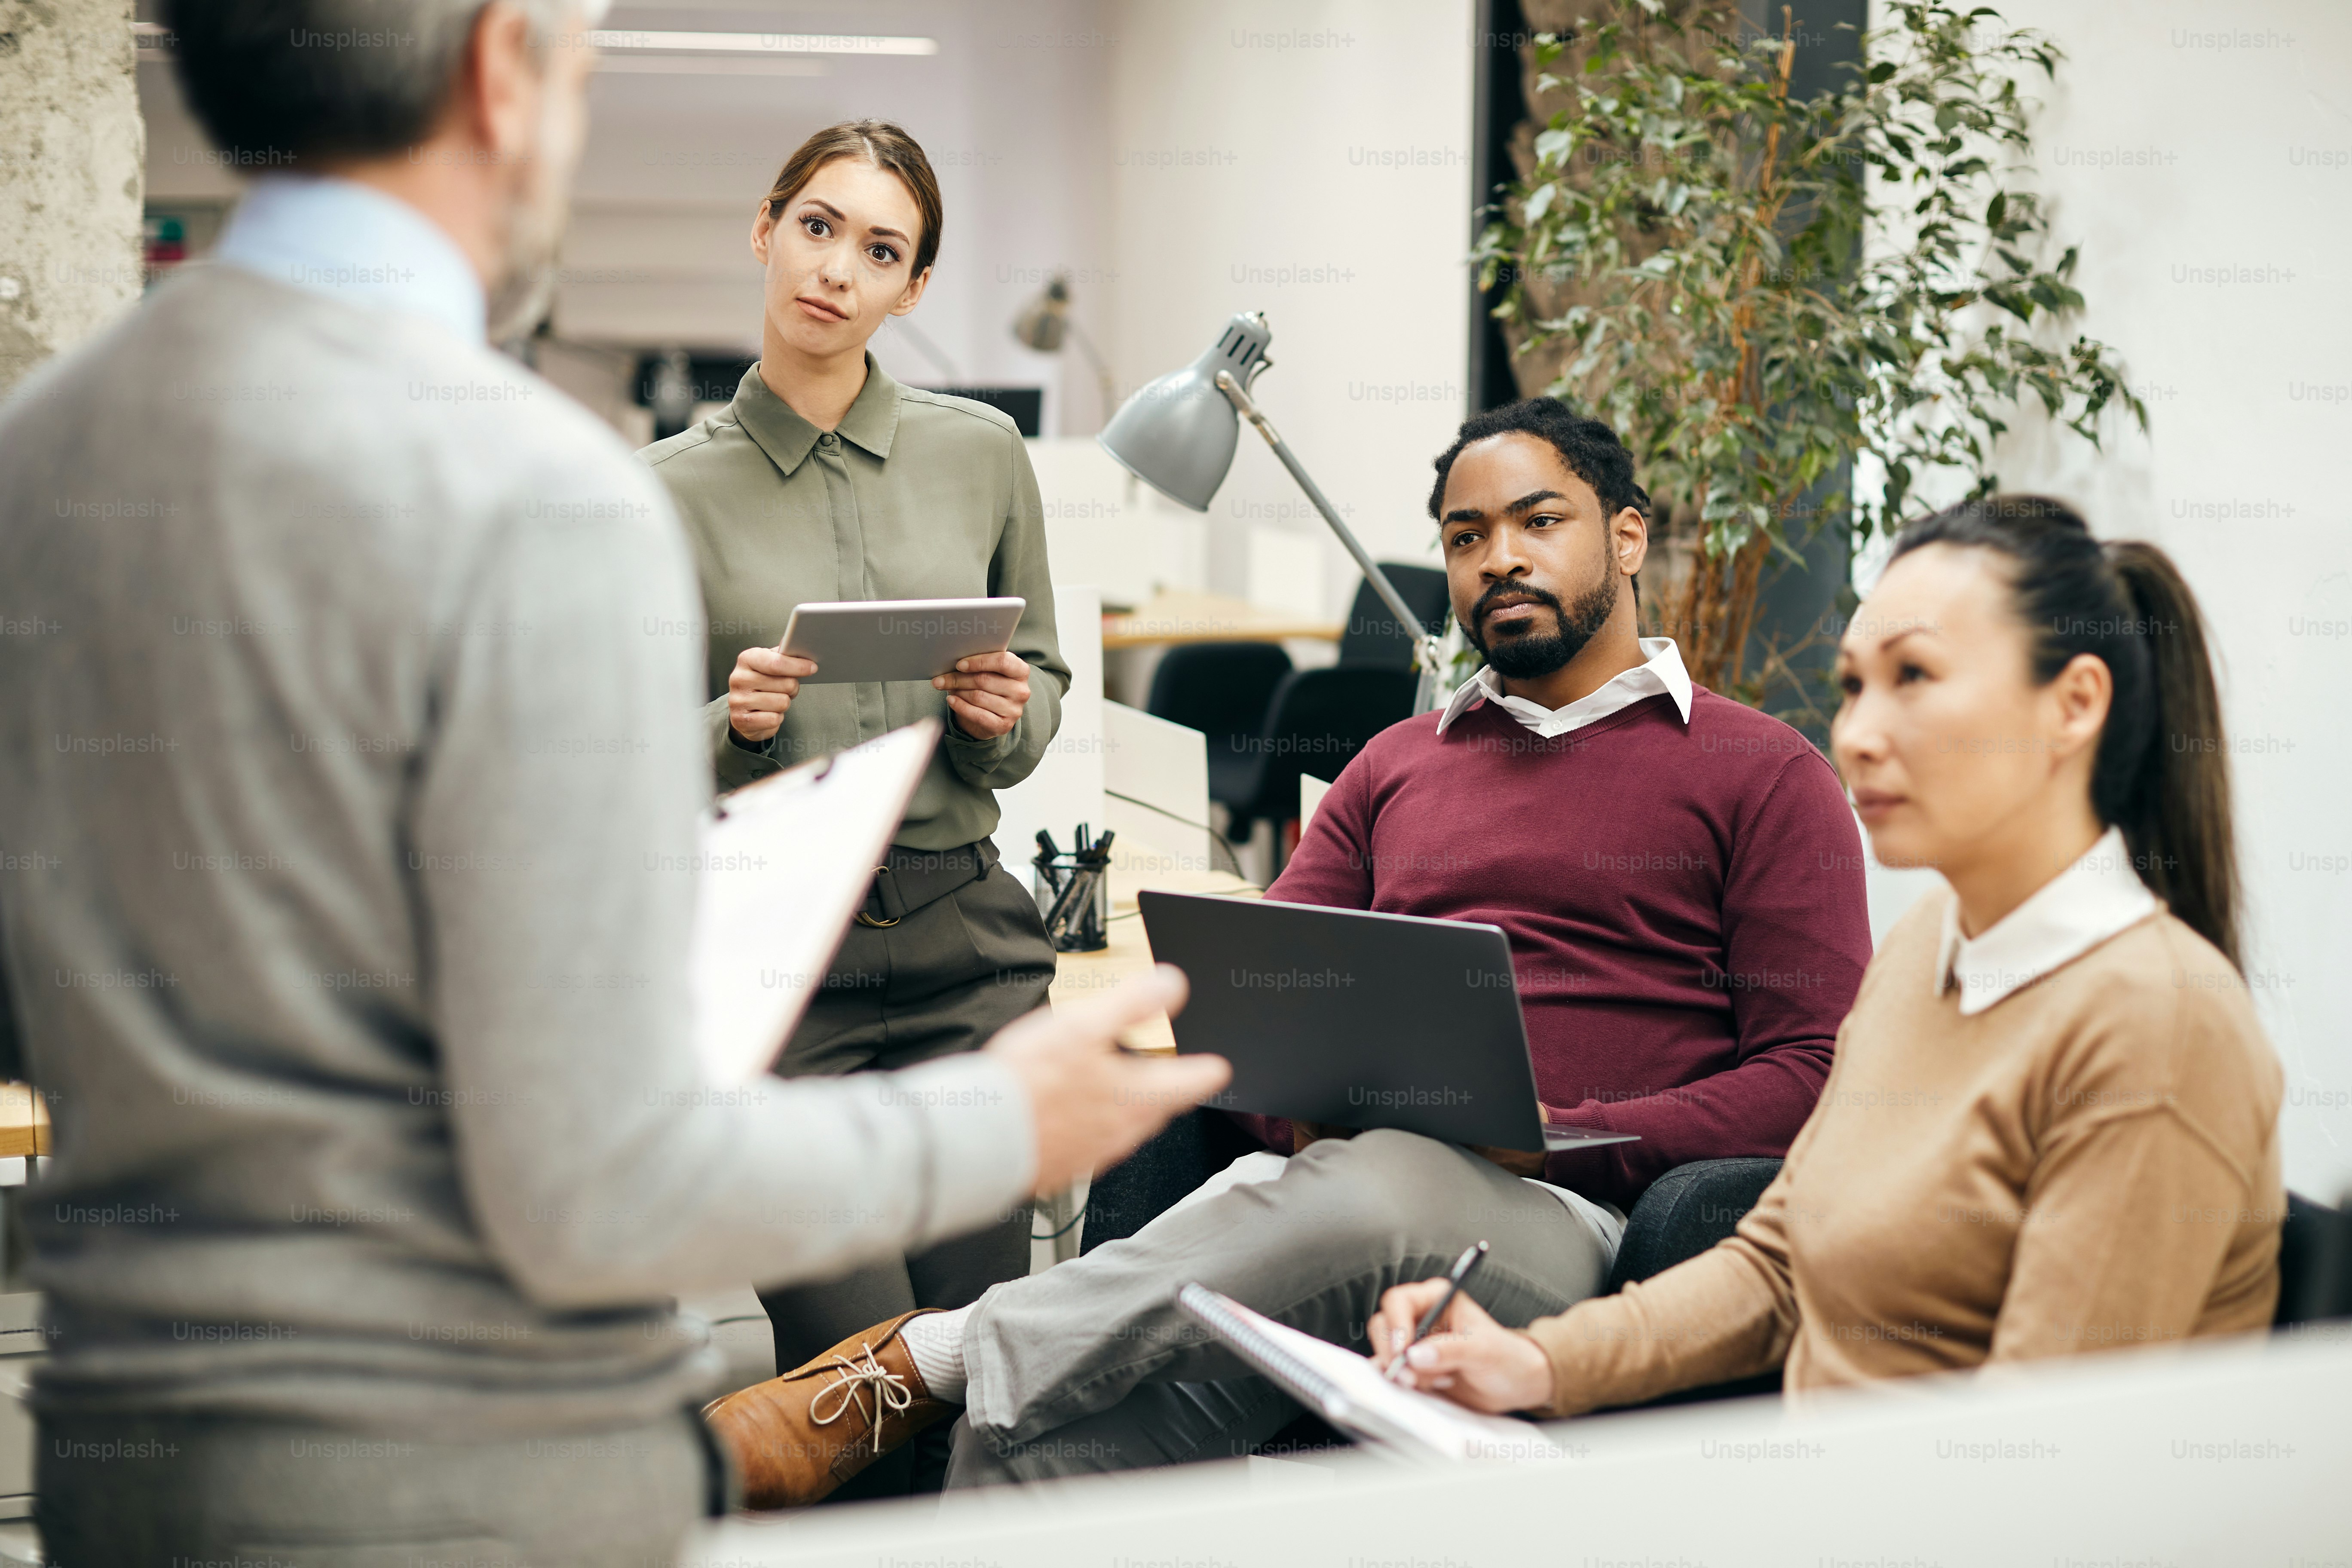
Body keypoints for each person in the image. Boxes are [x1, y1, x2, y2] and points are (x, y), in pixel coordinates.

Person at [0, 6, 1225, 1564]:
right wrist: (996, 1119)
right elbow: (596, 1165)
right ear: (506, 66)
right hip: (480, 1482)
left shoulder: (40, 453)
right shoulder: (545, 498)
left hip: (137, 1473)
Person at [697, 398, 1875, 1504]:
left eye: (1538, 522)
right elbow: (1250, 1005)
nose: (1499, 558)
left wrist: (1558, 1136)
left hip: (1575, 1225)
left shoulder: (1763, 774)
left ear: (1627, 538)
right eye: (1467, 537)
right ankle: (979, 1390)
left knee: (1385, 1181)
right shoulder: (1398, 763)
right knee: (1037, 1437)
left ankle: (939, 1350)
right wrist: (1304, 1109)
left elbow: (1814, 1076)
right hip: (1324, 1197)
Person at [1367, 497, 2284, 1418]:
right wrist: (1536, 1363)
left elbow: (2038, 1472)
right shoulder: (1932, 944)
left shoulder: (2155, 1023)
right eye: (1852, 686)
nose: (1857, 735)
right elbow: (1777, 1265)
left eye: (1914, 676)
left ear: (2075, 703)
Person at [635, 125, 1068, 1491]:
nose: (839, 270)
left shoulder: (984, 453)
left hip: (966, 954)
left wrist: (1009, 716)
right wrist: (728, 726)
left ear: (914, 288)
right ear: (765, 230)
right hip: (777, 967)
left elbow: (1044, 677)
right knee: (860, 1401)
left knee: (980, 1370)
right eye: (819, 228)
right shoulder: (657, 490)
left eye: (881, 250)